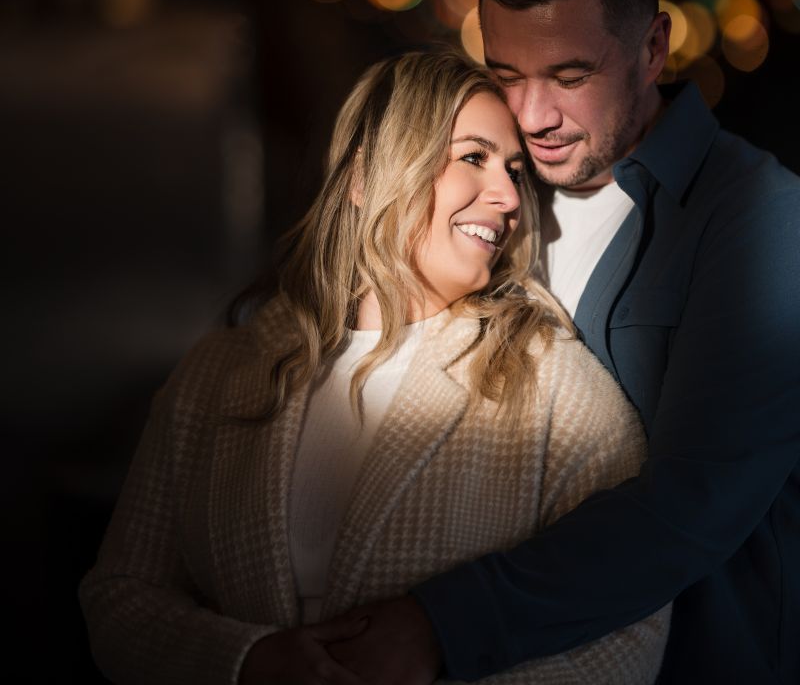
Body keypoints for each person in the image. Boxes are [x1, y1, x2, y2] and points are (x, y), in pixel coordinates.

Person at [79, 48, 670, 685]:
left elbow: (630, 637)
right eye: (473, 157)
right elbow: (120, 594)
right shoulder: (217, 375)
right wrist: (246, 661)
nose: (508, 197)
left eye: (515, 170)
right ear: (367, 178)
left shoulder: (556, 389)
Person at [327, 0, 800, 685]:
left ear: (653, 48)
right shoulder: (488, 195)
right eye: (506, 75)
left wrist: (439, 623)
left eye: (570, 76)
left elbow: (693, 506)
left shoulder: (760, 219)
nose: (534, 116)